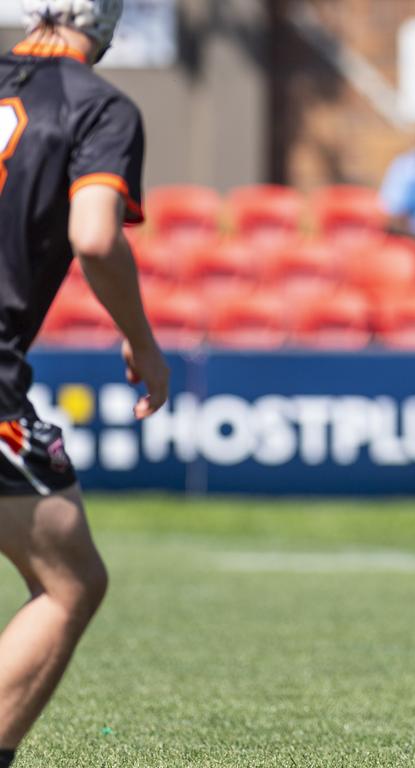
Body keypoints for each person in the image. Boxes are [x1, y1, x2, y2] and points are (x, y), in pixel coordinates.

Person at [0, 2, 168, 764]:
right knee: (71, 582)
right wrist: (142, 343)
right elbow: (95, 236)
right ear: (104, 25)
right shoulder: (96, 106)